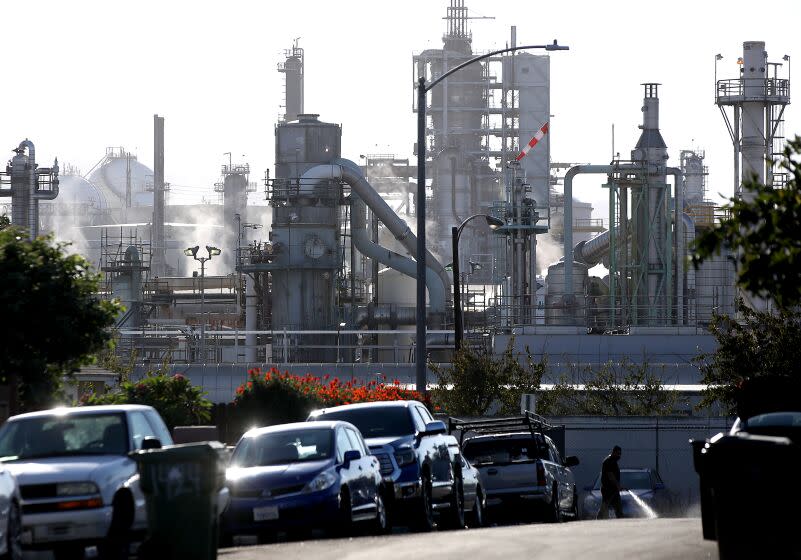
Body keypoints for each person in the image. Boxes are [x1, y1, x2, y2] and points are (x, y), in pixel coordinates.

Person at [597, 445, 624, 519]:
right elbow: (610, 475)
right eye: (618, 453)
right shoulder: (609, 461)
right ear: (613, 452)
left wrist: (617, 486)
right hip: (608, 489)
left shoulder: (613, 461)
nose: (619, 456)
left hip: (613, 489)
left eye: (620, 454)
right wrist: (618, 485)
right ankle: (599, 519)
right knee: (605, 506)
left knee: (618, 508)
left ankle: (621, 520)